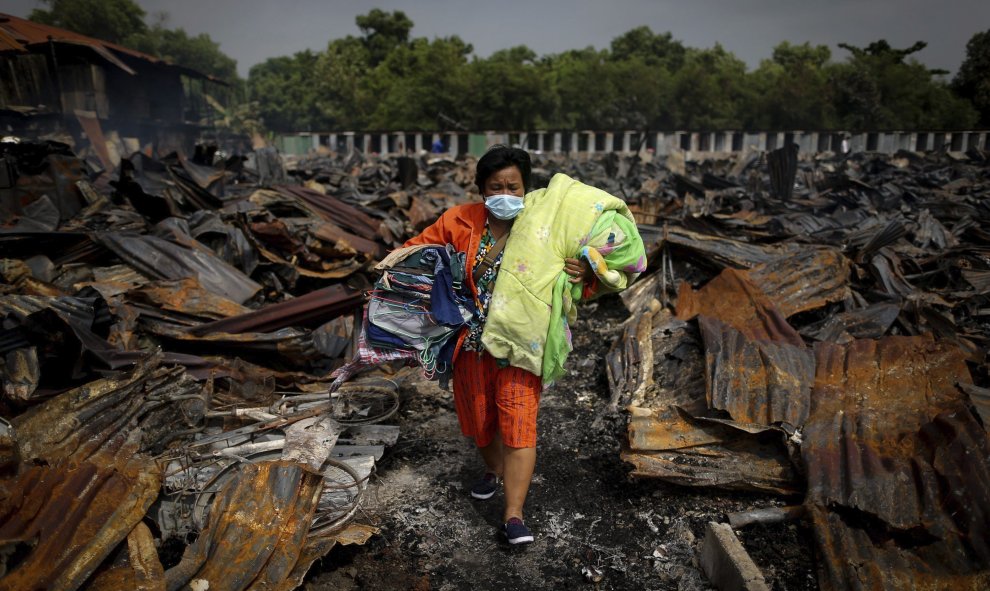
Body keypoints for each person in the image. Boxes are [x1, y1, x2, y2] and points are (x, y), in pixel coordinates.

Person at [402, 145, 598, 545]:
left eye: (513, 186)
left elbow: (586, 275)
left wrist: (583, 271)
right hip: (471, 345)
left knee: (519, 423)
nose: (505, 194)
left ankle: (513, 515)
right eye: (496, 186)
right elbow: (415, 252)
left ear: (527, 187)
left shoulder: (548, 223)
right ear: (481, 188)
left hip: (521, 344)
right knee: (478, 420)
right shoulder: (459, 220)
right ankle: (493, 470)